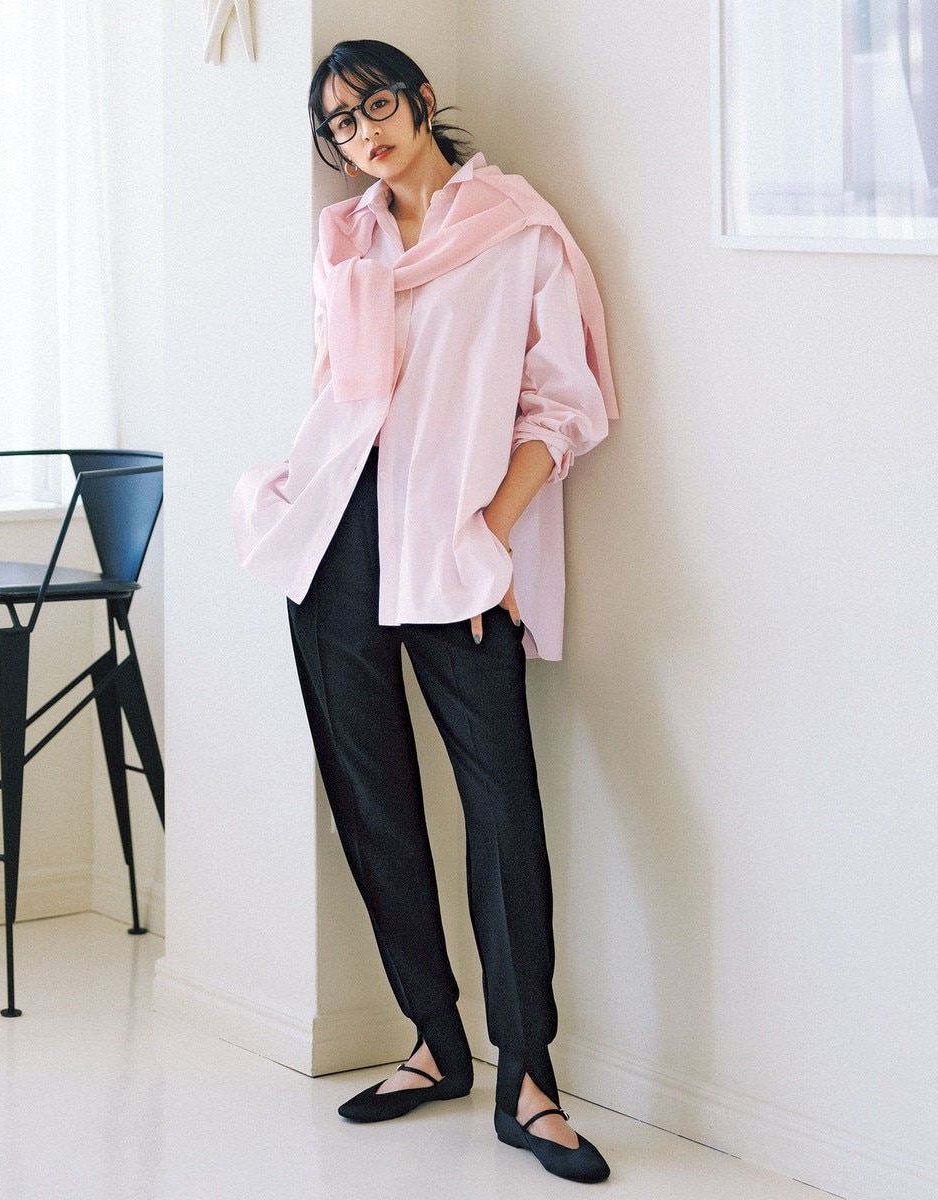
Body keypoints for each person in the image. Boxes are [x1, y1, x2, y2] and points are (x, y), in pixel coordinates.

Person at [233, 39, 618, 1185]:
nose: (364, 135)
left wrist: (487, 534)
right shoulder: (343, 241)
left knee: (502, 810)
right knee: (373, 800)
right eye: (340, 126)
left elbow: (563, 403)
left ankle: (529, 1079)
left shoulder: (515, 231)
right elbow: (340, 393)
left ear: (423, 100)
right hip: (337, 539)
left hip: (451, 548)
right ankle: (433, 1041)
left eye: (376, 107)